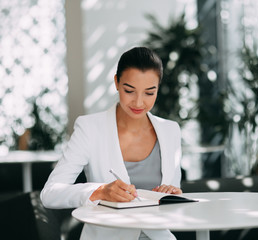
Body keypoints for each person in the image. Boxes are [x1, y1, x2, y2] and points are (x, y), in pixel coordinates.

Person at [40, 47, 182, 240]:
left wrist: (171, 194)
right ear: (116, 82)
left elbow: (171, 202)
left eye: (149, 92)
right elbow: (50, 193)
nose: (139, 102)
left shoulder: (170, 130)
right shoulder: (90, 128)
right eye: (129, 90)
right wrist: (99, 191)